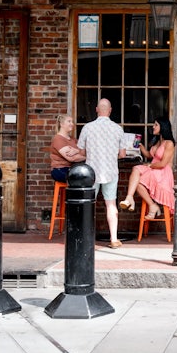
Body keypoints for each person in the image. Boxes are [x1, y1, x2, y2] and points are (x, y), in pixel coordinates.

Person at [77, 98, 128, 249]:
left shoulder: (87, 127)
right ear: (110, 110)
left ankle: (85, 237)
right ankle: (114, 238)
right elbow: (123, 154)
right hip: (111, 170)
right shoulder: (118, 129)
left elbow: (81, 151)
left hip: (91, 171)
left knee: (89, 205)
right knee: (111, 204)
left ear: (97, 110)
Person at [119, 117, 175, 220]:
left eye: (156, 125)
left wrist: (149, 165)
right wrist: (140, 147)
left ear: (163, 127)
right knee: (136, 176)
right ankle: (131, 198)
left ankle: (145, 203)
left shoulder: (169, 143)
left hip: (162, 173)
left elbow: (162, 164)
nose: (153, 127)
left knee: (137, 174)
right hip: (154, 170)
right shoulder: (158, 142)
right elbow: (150, 155)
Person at [49, 114, 86, 182]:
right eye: (69, 121)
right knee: (80, 179)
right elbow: (72, 158)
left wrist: (77, 151)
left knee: (87, 176)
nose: (72, 124)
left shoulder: (73, 139)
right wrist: (86, 156)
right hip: (60, 169)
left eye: (72, 122)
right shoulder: (58, 139)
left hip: (72, 168)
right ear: (61, 124)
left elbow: (84, 151)